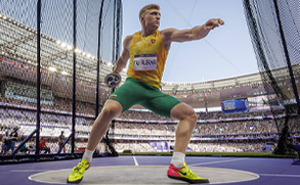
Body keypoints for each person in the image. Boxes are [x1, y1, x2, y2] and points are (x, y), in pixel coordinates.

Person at [67, 4, 224, 184]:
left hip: (152, 91)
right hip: (132, 85)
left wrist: (205, 27)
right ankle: (84, 161)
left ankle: (178, 166)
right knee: (108, 110)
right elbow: (122, 60)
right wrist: (115, 73)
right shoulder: (129, 40)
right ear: (143, 18)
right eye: (153, 14)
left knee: (189, 114)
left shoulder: (165, 35)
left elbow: (191, 33)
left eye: (159, 14)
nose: (158, 17)